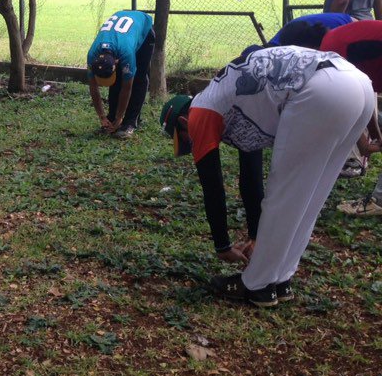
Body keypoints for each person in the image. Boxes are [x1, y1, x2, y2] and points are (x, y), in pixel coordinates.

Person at [160, 45, 375, 307]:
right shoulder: (231, 101)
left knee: (283, 194)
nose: (190, 145)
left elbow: (212, 185)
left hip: (319, 89)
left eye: (184, 140)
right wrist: (255, 235)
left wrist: (222, 246)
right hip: (358, 85)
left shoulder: (201, 112)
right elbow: (250, 178)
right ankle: (280, 278)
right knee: (310, 195)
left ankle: (257, 285)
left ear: (183, 122)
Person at [320, 20, 382, 216]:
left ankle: (379, 201)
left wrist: (364, 144)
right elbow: (363, 95)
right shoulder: (336, 45)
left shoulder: (330, 55)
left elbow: (349, 103)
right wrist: (374, 135)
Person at [87, 9, 155, 138]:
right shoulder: (92, 55)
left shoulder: (126, 53)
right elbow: (93, 87)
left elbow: (126, 88)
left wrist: (120, 118)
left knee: (138, 77)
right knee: (116, 79)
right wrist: (102, 117)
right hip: (122, 35)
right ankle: (110, 119)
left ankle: (130, 123)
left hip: (143, 29)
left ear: (117, 61)